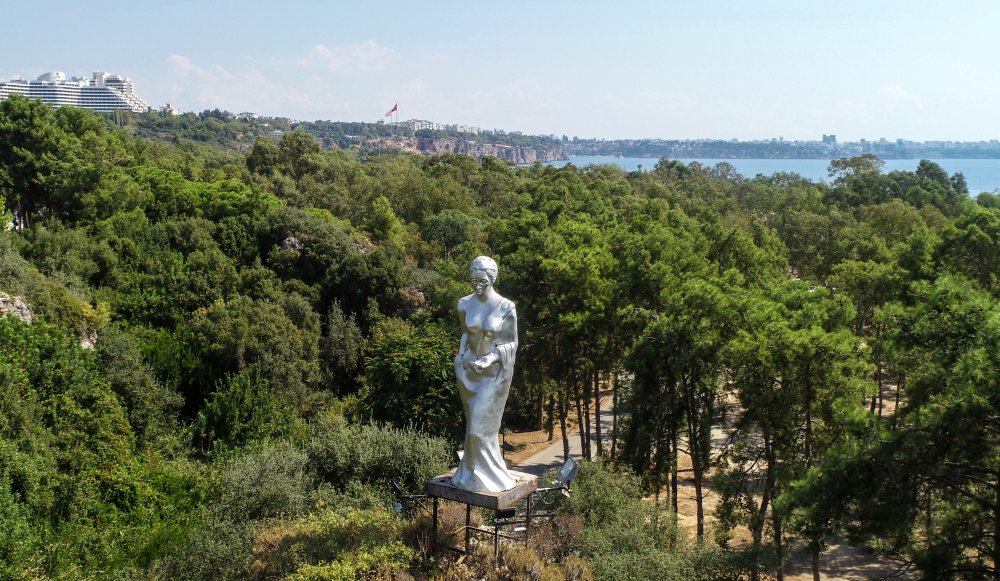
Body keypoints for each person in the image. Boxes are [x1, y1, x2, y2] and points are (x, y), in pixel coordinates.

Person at [451, 256, 518, 492]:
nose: (478, 286)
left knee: (480, 427)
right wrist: (460, 355)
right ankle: (469, 473)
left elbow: (511, 344)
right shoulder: (464, 304)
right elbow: (466, 334)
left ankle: (490, 477)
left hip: (494, 373)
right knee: (472, 425)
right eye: (474, 281)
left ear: (492, 279)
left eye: (483, 281)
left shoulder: (506, 307)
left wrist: (489, 359)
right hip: (469, 370)